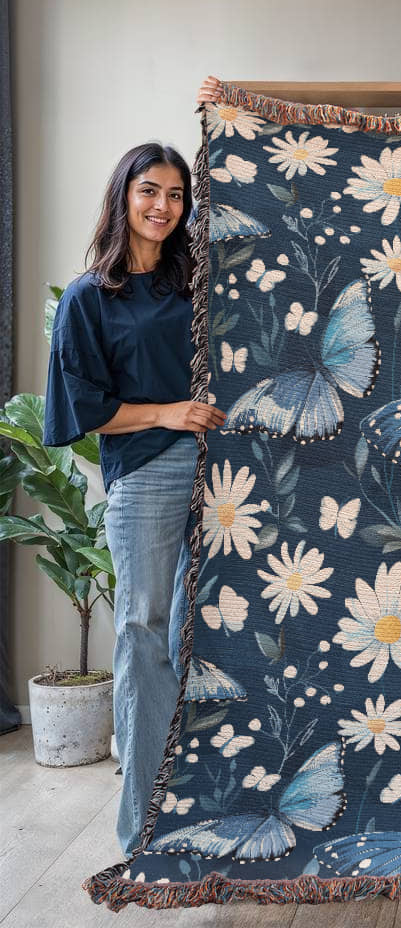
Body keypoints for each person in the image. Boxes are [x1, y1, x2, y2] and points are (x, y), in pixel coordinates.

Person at [42, 141, 226, 857]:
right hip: (148, 473)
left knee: (202, 632)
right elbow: (82, 408)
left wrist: (225, 102)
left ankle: (208, 802)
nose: (163, 206)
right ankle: (145, 827)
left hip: (224, 472)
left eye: (177, 195)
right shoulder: (90, 296)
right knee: (144, 631)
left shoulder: (196, 280)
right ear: (123, 194)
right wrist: (168, 413)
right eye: (150, 190)